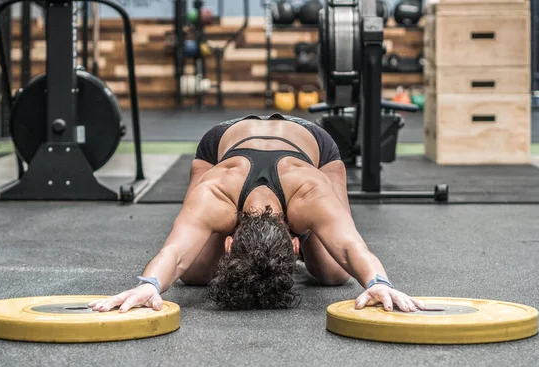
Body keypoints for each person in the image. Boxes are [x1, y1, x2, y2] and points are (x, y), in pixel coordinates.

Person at [89, 114, 424, 313]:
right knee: (193, 274)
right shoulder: (215, 190)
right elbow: (174, 254)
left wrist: (379, 283)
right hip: (222, 140)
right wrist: (150, 285)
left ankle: (310, 230)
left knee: (334, 274)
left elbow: (354, 249)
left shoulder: (311, 190)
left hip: (313, 146)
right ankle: (297, 232)